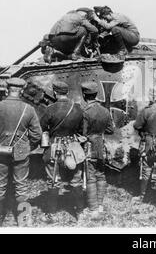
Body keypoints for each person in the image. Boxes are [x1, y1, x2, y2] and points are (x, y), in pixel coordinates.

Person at [0, 78, 42, 226]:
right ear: (22, 91)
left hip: (1, 150)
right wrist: (27, 146)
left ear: (6, 90)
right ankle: (23, 221)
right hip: (21, 152)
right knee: (21, 185)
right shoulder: (28, 109)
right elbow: (37, 135)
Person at [40, 81, 85, 223]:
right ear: (67, 92)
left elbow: (43, 127)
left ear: (54, 92)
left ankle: (51, 214)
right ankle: (79, 211)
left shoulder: (50, 109)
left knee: (53, 180)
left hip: (54, 147)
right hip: (73, 146)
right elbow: (81, 129)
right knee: (76, 179)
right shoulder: (77, 108)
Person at [81, 81, 114, 220]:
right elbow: (111, 130)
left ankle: (93, 209)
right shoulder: (105, 111)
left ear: (84, 95)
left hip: (90, 146)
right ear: (96, 94)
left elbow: (83, 133)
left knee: (90, 176)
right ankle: (100, 205)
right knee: (101, 174)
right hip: (102, 145)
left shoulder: (86, 112)